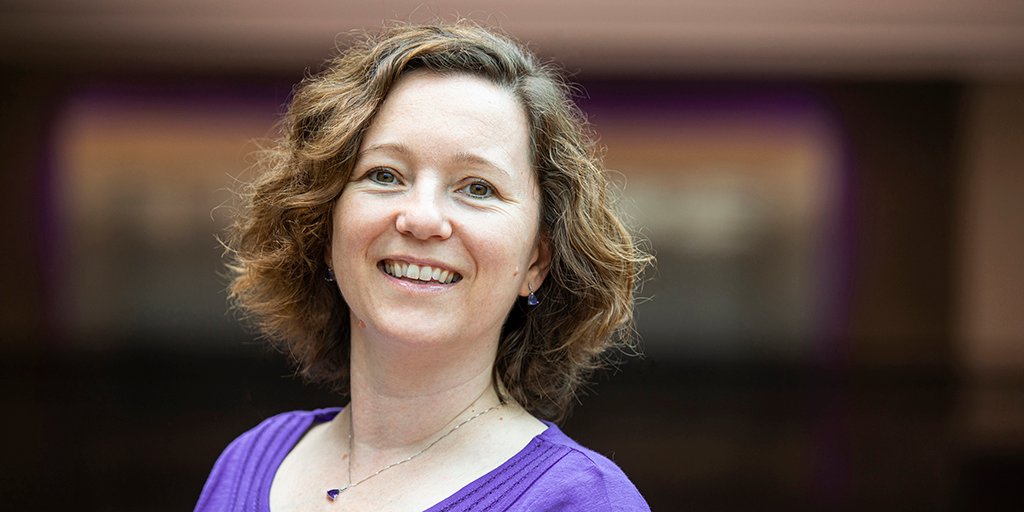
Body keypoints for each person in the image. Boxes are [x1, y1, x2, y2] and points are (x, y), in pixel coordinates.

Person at [195, 21, 652, 511]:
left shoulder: (581, 500)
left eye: (478, 187)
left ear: (536, 261)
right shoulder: (247, 466)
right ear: (323, 228)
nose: (422, 218)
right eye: (385, 174)